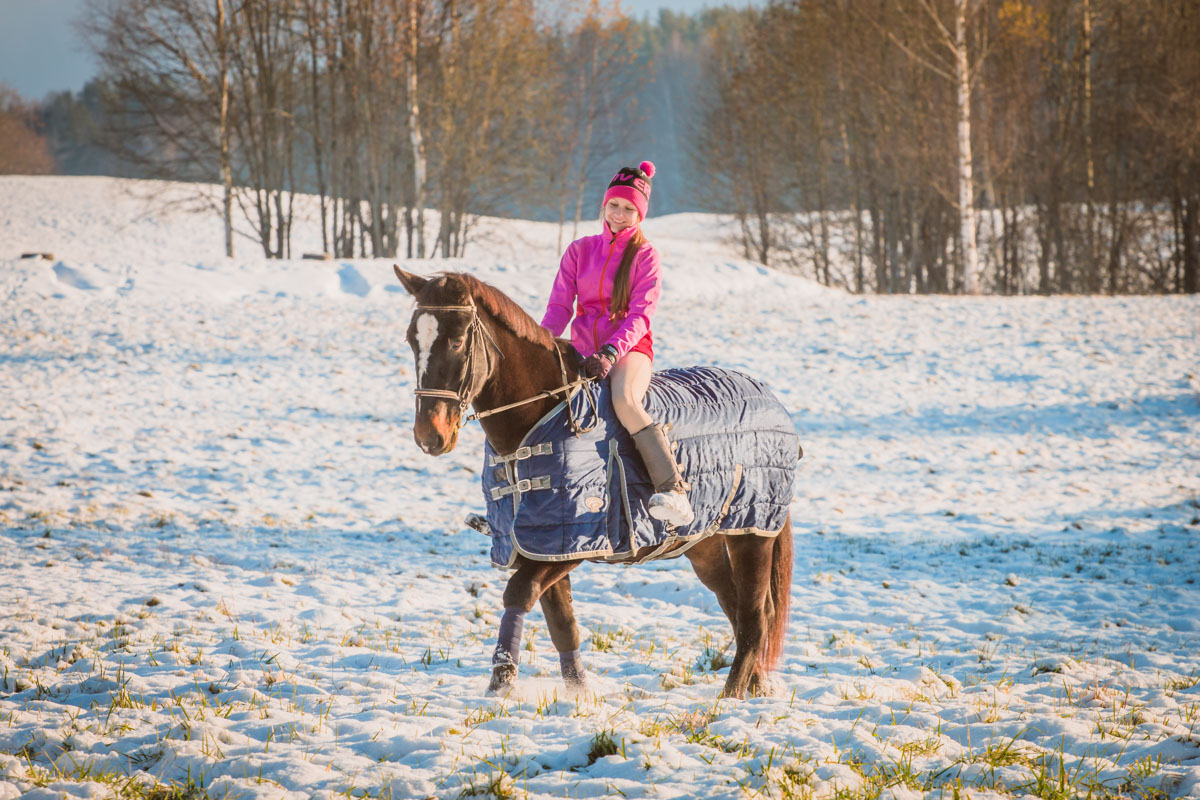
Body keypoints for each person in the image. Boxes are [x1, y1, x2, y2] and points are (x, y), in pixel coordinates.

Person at [540, 161, 694, 526]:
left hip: (630, 350)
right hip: (580, 349)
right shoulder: (579, 251)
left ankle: (673, 490)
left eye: (629, 209)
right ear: (604, 206)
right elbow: (559, 306)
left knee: (624, 399)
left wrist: (611, 351)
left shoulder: (645, 255)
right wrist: (540, 345)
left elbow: (641, 314)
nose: (620, 215)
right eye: (614, 206)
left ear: (640, 214)